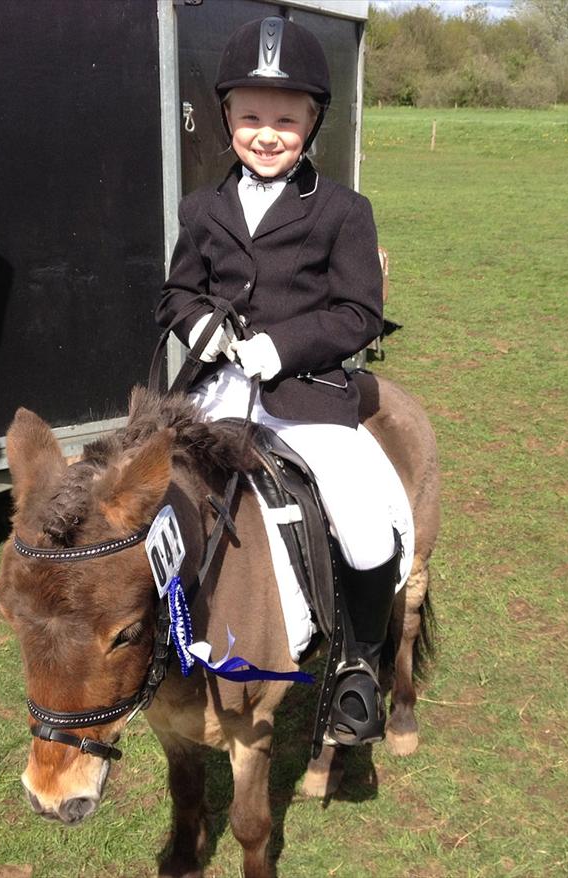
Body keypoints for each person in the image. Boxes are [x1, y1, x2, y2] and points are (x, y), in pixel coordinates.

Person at [156, 16, 401, 747]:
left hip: (305, 395)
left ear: (312, 122)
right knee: (144, 494)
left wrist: (282, 345)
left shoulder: (343, 211)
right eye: (252, 117)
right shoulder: (200, 209)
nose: (268, 133)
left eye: (286, 120)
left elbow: (361, 312)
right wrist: (197, 325)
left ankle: (358, 664)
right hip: (213, 390)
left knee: (361, 515)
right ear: (228, 116)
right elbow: (178, 292)